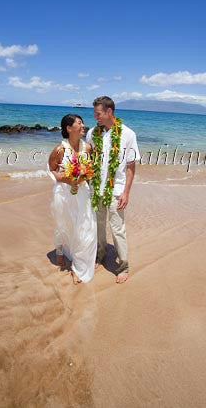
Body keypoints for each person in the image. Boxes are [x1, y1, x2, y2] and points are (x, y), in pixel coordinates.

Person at [86, 96, 140, 284]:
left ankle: (123, 266)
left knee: (117, 229)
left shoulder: (128, 134)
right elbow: (89, 159)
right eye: (94, 114)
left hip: (116, 189)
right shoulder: (93, 133)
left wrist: (126, 192)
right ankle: (99, 256)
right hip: (95, 188)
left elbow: (131, 167)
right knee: (98, 226)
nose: (96, 117)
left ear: (109, 112)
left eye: (98, 113)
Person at [48, 114, 97, 284]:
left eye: (82, 123)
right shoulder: (59, 150)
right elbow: (52, 169)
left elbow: (91, 169)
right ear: (69, 128)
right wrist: (65, 179)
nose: (83, 126)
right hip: (64, 194)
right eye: (79, 123)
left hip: (82, 193)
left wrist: (89, 182)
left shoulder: (88, 148)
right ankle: (60, 250)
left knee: (86, 229)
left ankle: (79, 266)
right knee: (66, 225)